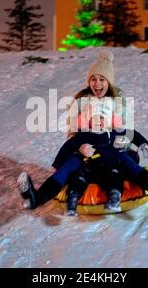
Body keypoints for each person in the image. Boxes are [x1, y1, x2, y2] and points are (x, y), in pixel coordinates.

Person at [17, 50, 132, 209]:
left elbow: (124, 132)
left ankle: (114, 192)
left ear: (109, 82)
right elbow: (73, 133)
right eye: (93, 79)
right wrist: (80, 146)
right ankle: (35, 198)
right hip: (86, 151)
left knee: (130, 159)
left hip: (109, 152)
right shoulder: (81, 101)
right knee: (67, 167)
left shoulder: (117, 101)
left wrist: (122, 142)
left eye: (101, 79)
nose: (97, 84)